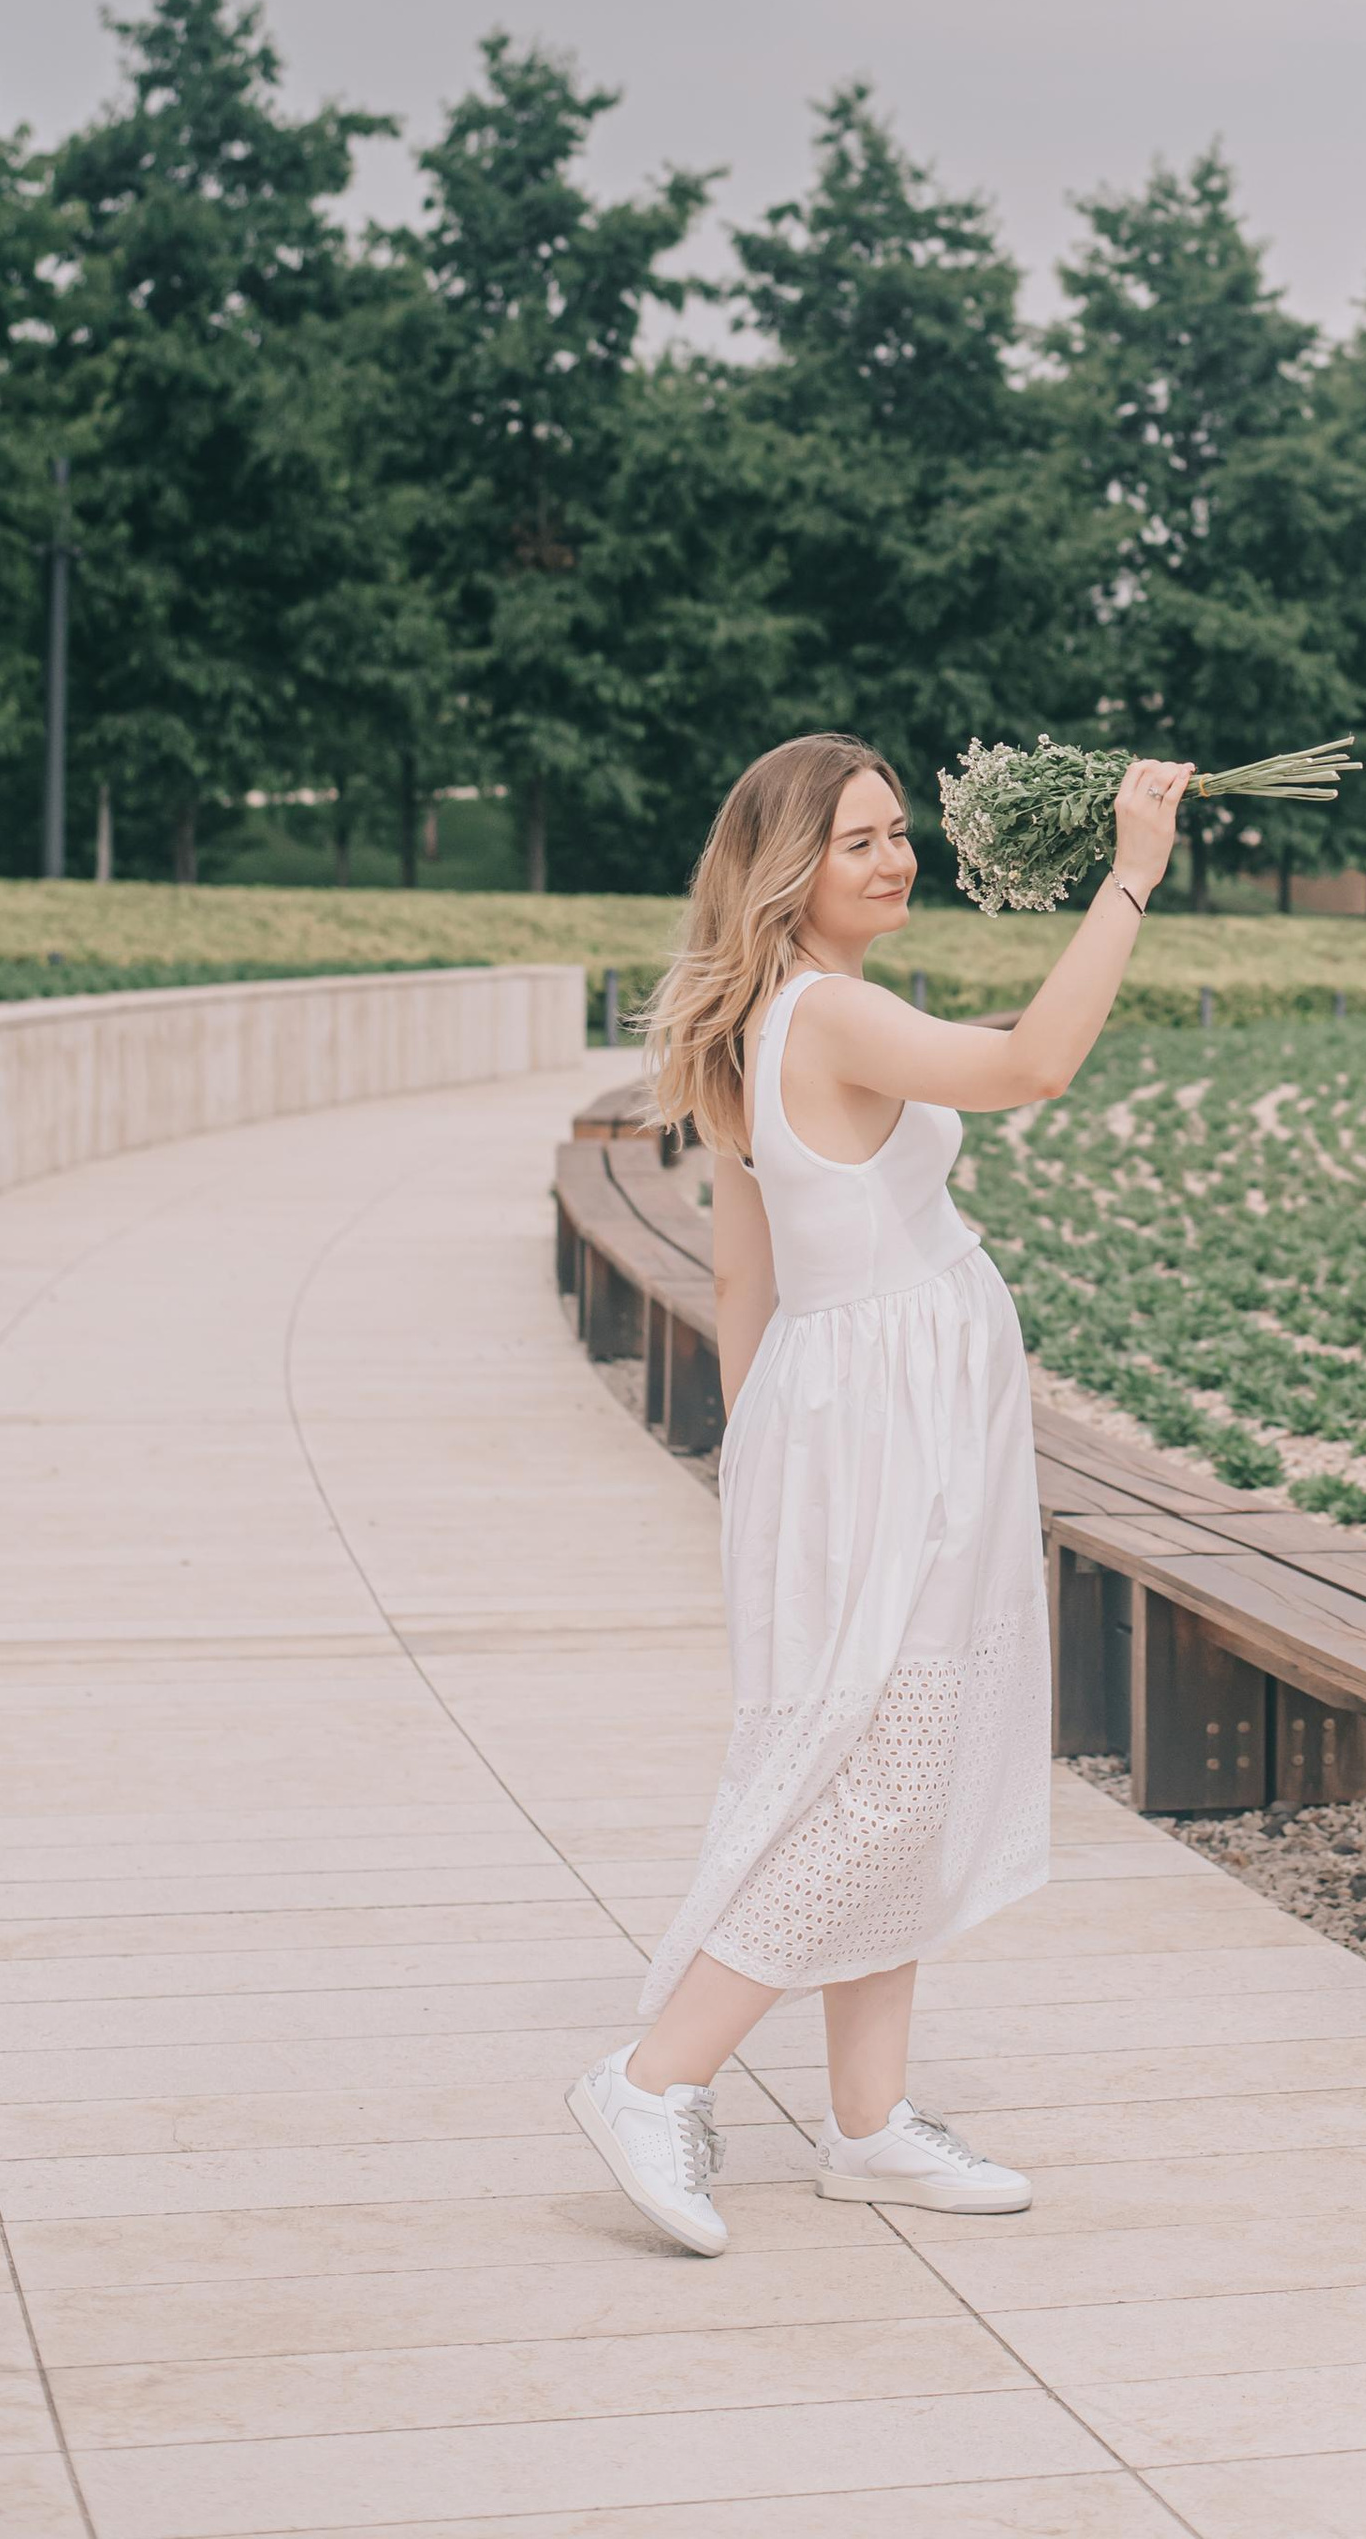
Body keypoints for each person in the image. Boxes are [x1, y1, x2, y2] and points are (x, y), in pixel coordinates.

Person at [566, 730, 1193, 2256]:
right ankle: (655, 2075)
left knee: (892, 1744)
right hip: (882, 1423)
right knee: (883, 1770)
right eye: (860, 838)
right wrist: (1127, 877)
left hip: (848, 1410)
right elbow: (1032, 1064)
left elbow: (741, 1265)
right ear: (793, 866)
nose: (898, 854)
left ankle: (868, 2121)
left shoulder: (774, 1016)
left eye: (901, 828)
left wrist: (766, 1454)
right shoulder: (830, 1013)